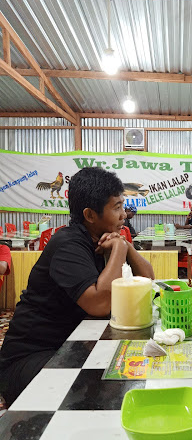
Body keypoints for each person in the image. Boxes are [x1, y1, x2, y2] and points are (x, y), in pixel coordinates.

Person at [0, 167, 154, 406]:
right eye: (116, 208)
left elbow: (148, 281)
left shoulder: (103, 238)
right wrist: (120, 249)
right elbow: (100, 304)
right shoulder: (67, 243)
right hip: (29, 360)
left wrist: (126, 246)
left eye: (122, 206)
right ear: (90, 215)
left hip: (70, 347)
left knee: (126, 372)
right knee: (102, 390)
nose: (123, 214)